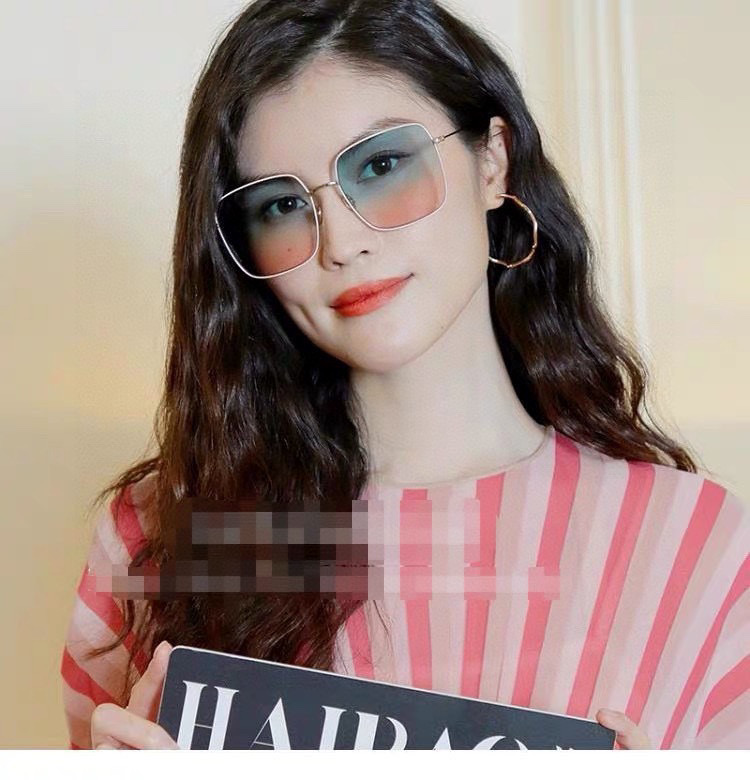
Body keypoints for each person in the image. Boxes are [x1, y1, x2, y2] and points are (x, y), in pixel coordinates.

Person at [61, 0, 748, 750]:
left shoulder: (699, 549)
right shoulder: (157, 536)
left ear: (492, 161)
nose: (341, 243)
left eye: (382, 166)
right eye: (282, 205)